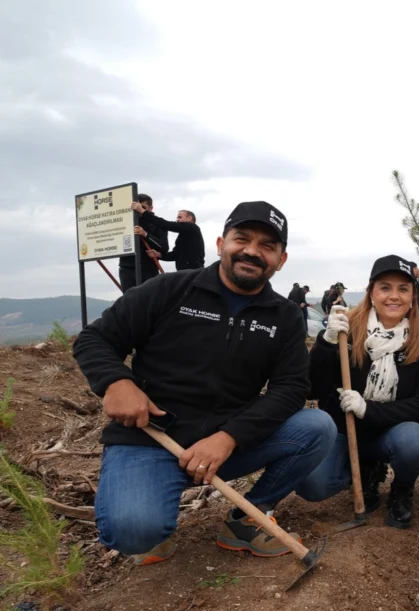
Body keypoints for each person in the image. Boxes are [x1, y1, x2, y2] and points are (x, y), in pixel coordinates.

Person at [73, 201, 336, 565]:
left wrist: (228, 438)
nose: (251, 251)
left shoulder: (286, 316)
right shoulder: (168, 290)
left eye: (267, 246)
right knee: (133, 531)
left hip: (225, 444)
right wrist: (116, 382)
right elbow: (94, 340)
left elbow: (290, 388)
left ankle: (245, 521)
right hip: (152, 438)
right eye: (241, 238)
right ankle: (153, 515)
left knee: (317, 426)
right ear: (220, 243)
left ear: (281, 259)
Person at [298, 255, 419, 528]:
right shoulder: (346, 332)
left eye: (403, 289)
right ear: (371, 292)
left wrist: (368, 409)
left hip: (390, 433)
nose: (394, 296)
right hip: (343, 431)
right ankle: (363, 473)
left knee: (414, 441)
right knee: (311, 485)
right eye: (385, 287)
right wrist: (326, 344)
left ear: (413, 296)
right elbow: (312, 388)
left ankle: (402, 487)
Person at [120, 194, 167, 291]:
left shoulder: (158, 223)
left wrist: (146, 235)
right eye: (136, 207)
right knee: (128, 300)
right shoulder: (125, 221)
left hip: (148, 267)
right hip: (127, 266)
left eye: (142, 207)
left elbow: (164, 247)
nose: (138, 210)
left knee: (148, 299)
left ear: (150, 208)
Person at [137, 208, 206, 271]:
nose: (177, 220)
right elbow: (175, 255)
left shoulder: (193, 227)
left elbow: (166, 224)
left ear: (189, 218)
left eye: (180, 217)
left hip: (193, 272)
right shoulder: (183, 236)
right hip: (184, 273)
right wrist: (159, 255)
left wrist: (142, 211)